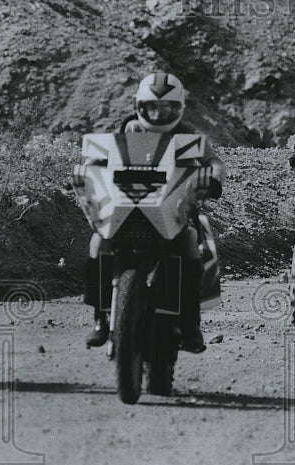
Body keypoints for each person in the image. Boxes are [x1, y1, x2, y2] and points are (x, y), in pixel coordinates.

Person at [85, 72, 224, 352]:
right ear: (140, 107)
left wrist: (214, 177)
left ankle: (190, 324)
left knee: (190, 245)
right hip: (126, 208)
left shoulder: (188, 134)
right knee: (98, 242)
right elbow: (99, 158)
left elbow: (214, 160)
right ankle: (100, 318)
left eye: (167, 108)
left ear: (178, 108)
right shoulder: (129, 130)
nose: (159, 114)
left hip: (173, 210)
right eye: (153, 107)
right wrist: (89, 172)